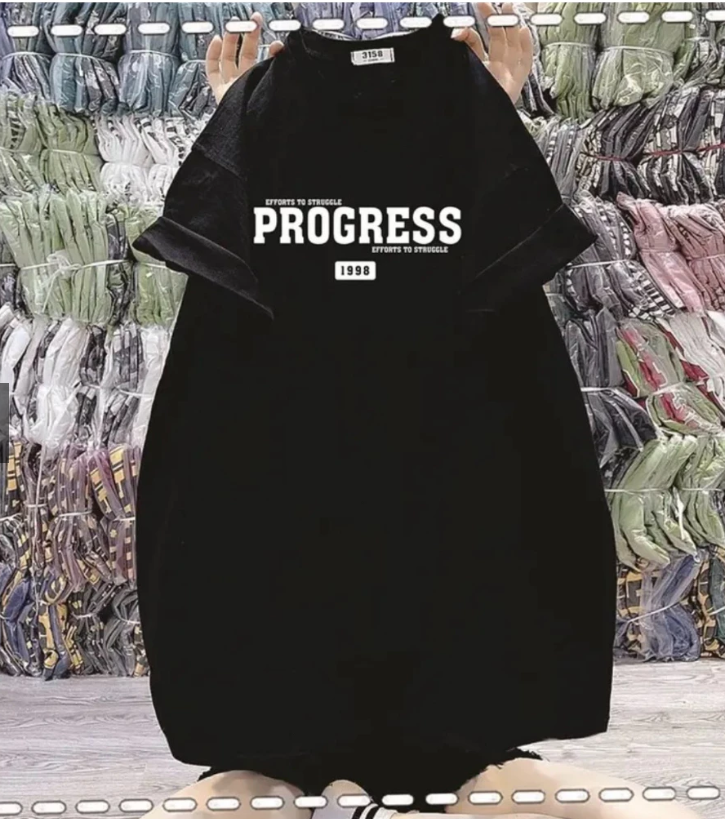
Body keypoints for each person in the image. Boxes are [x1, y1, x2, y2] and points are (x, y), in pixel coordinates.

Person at [134, 6, 701, 819]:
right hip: (451, 638)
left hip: (277, 631)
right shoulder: (458, 115)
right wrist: (491, 111)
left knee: (243, 785)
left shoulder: (261, 115)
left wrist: (244, 120)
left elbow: (210, 423)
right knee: (509, 783)